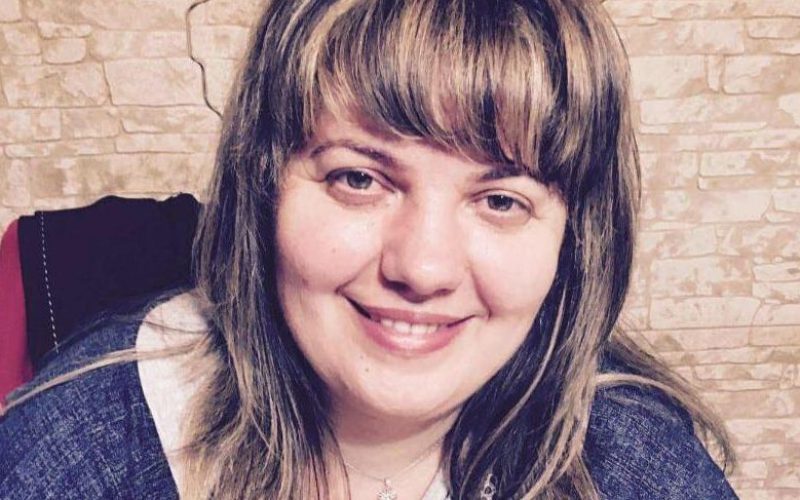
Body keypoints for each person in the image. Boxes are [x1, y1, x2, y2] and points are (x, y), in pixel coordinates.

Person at [0, 0, 737, 498]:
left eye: (500, 200)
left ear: (574, 240)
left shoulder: (635, 463)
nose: (423, 267)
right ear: (263, 187)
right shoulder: (81, 444)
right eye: (358, 179)